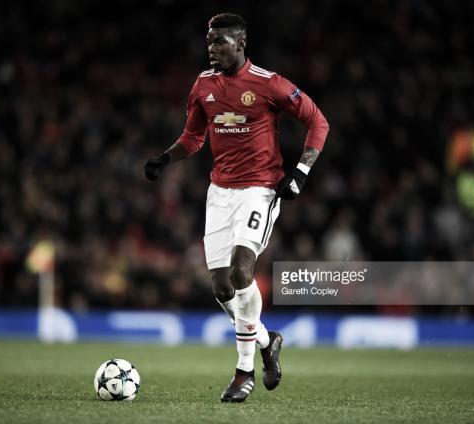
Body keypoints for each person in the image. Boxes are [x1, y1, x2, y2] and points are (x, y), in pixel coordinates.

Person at [144, 13, 329, 402]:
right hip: (219, 192)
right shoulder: (203, 84)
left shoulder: (268, 84)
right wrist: (166, 157)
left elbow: (318, 122)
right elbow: (194, 137)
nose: (211, 48)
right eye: (209, 41)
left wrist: (300, 171)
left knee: (242, 270)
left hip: (259, 190)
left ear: (241, 43)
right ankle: (267, 339)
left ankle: (243, 372)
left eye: (219, 42)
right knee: (221, 287)